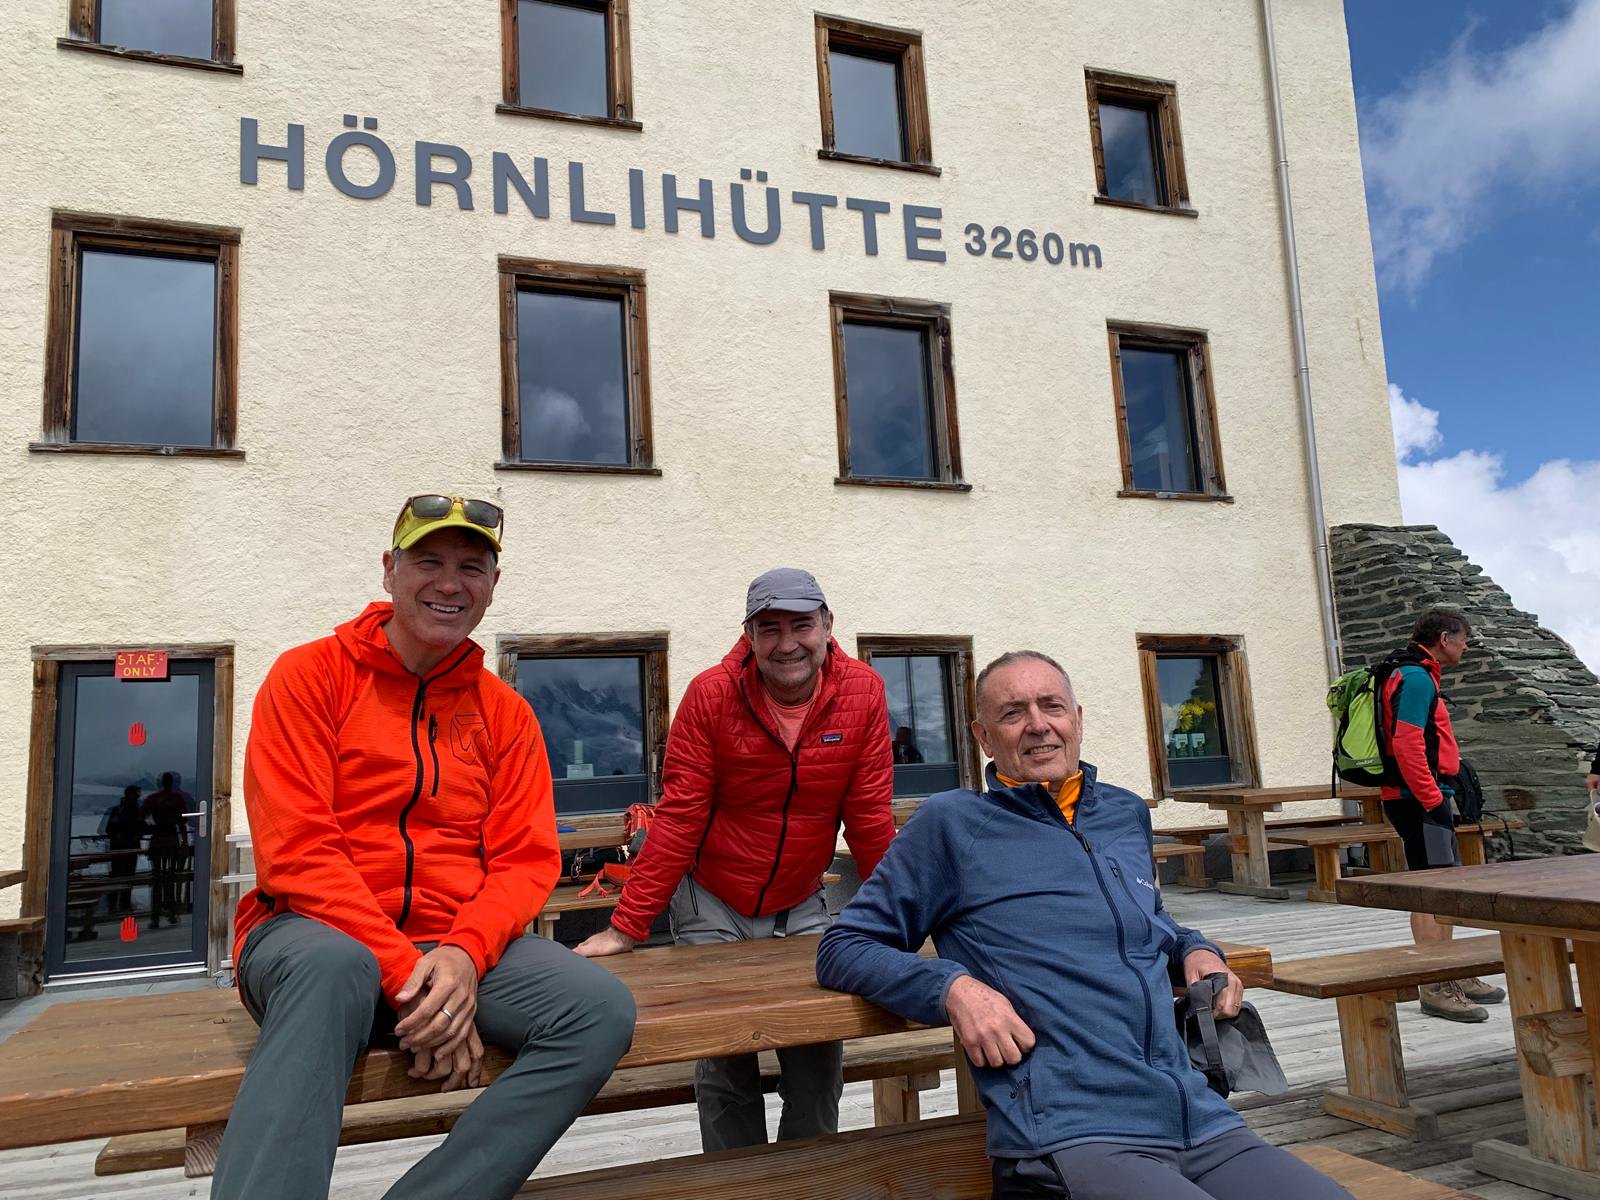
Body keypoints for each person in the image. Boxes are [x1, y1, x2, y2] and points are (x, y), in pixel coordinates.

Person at [212, 495, 636, 1200]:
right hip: (309, 937)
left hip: (451, 945)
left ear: (492, 587)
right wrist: (418, 981)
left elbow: (525, 859)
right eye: (429, 561)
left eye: (472, 567)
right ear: (389, 570)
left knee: (597, 1011)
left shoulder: (506, 713)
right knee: (333, 966)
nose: (450, 583)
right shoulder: (308, 677)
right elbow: (298, 852)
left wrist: (465, 955)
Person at [816, 651, 1354, 1200]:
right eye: (1012, 713)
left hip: (1193, 1113)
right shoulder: (952, 825)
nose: (1037, 725)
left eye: (1052, 706)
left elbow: (1144, 918)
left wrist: (1195, 947)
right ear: (983, 736)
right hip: (1072, 1130)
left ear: (1077, 717)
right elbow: (843, 946)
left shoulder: (1122, 813)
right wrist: (953, 988)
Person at [575, 567, 895, 1152]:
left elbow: (870, 818)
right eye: (769, 628)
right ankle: (734, 1182)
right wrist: (626, 927)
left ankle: (804, 1184)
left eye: (802, 624)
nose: (787, 643)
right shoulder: (711, 695)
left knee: (818, 1054)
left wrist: (903, 916)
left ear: (828, 626)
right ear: (748, 636)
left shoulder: (864, 693)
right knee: (725, 1063)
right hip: (713, 896)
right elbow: (679, 818)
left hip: (802, 894)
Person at [1376, 607, 1504, 1022]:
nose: (1467, 646)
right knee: (1431, 890)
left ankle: (1453, 972)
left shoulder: (1414, 672)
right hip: (1419, 800)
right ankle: (1435, 985)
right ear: (1445, 638)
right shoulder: (1415, 678)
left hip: (1419, 797)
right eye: (1465, 638)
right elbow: (1408, 743)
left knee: (1442, 886)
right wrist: (1432, 798)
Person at [140, 772, 192, 928]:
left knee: (157, 880)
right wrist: (184, 841)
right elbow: (183, 822)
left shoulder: (153, 799)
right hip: (171, 841)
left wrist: (151, 828)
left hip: (157, 841)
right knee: (170, 878)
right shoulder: (177, 799)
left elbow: (141, 816)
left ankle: (155, 917)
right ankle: (171, 914)